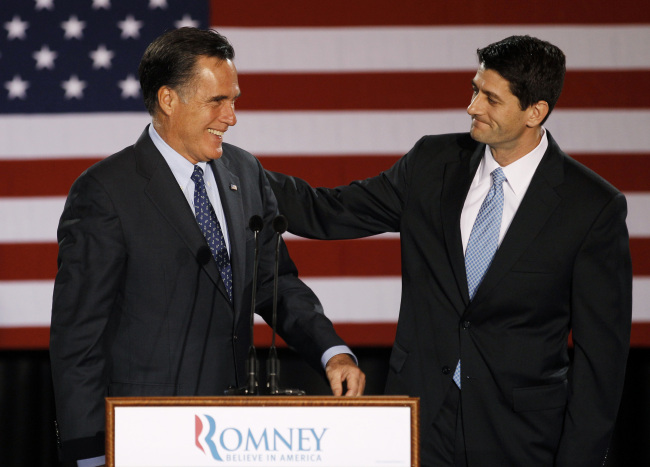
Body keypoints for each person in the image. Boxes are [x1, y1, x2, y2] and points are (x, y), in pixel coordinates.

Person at [266, 35, 632, 466]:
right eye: (475, 89)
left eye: (490, 98)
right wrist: (238, 173)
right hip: (420, 420)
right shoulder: (431, 162)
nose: (472, 106)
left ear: (536, 111)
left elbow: (600, 360)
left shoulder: (590, 206)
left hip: (520, 435)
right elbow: (326, 211)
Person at [50, 27, 365, 466]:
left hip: (236, 432)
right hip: (148, 433)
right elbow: (78, 337)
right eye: (217, 101)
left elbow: (275, 282)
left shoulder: (244, 170)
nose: (231, 116)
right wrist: (88, 452)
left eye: (234, 99)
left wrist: (332, 353)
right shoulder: (106, 191)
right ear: (168, 100)